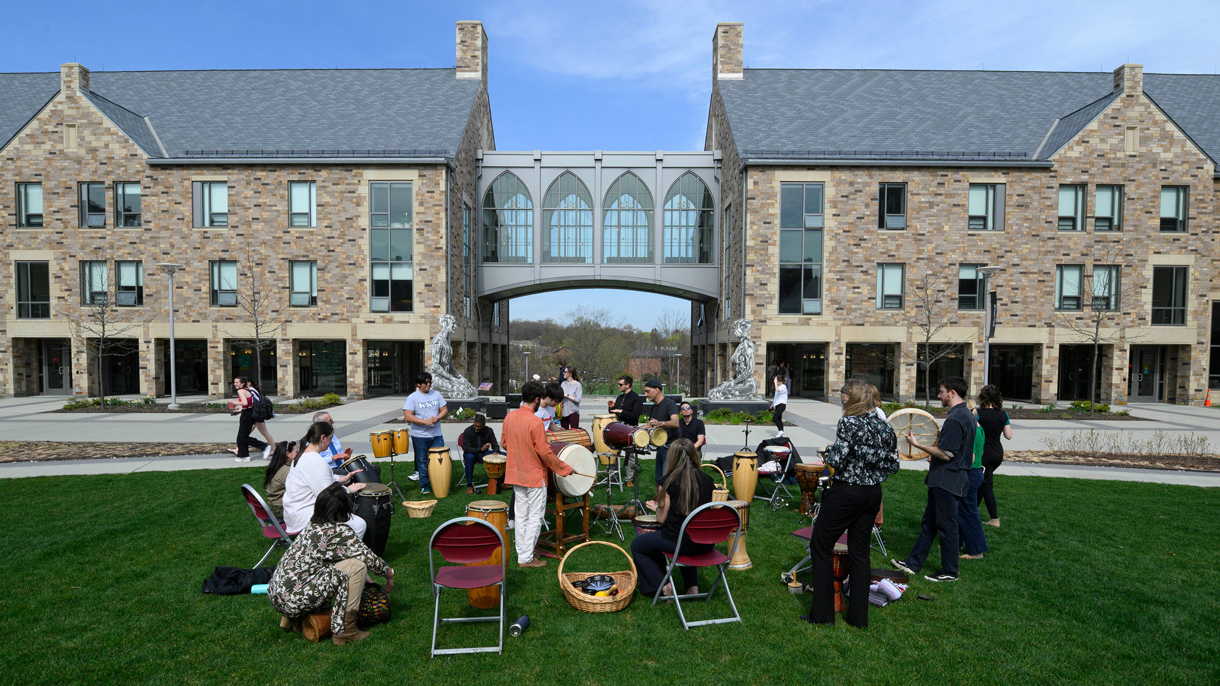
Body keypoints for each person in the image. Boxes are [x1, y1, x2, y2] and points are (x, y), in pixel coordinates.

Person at [804, 379, 900, 628]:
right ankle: (858, 618)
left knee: (821, 545)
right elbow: (894, 465)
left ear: (854, 399)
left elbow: (836, 458)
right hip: (872, 494)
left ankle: (822, 614)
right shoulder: (884, 427)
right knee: (860, 553)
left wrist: (831, 449)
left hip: (847, 492)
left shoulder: (849, 422)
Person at [268, 483, 394, 645]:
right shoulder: (339, 533)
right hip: (293, 600)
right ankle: (345, 630)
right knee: (357, 567)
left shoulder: (312, 526)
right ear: (344, 509)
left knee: (343, 565)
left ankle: (290, 621)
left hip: (276, 594)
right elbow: (370, 560)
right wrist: (389, 574)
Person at [892, 376, 976, 582]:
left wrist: (917, 444)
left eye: (941, 392)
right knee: (929, 522)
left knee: (947, 526)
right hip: (947, 477)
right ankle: (913, 563)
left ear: (952, 393)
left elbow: (946, 454)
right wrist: (935, 453)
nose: (939, 396)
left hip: (947, 480)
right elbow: (960, 452)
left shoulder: (956, 418)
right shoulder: (966, 415)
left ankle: (950, 571)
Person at [630, 439, 715, 598]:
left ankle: (663, 586)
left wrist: (657, 508)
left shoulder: (667, 482)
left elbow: (661, 519)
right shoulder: (708, 481)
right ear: (694, 455)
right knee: (686, 534)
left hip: (679, 543)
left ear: (673, 458)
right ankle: (692, 588)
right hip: (705, 543)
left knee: (638, 545)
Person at [503, 380, 573, 568]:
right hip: (533, 475)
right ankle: (525, 558)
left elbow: (504, 443)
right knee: (534, 516)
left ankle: (522, 554)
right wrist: (564, 468)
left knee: (521, 515)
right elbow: (544, 452)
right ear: (536, 399)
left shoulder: (509, 417)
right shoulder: (534, 421)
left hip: (516, 474)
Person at [282, 422, 368, 537]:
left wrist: (343, 478)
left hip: (293, 514)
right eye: (330, 438)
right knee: (359, 525)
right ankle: (341, 554)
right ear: (323, 438)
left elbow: (322, 477)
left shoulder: (302, 456)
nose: (331, 441)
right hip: (305, 518)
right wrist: (349, 490)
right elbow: (327, 497)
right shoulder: (315, 461)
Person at [402, 372, 447, 495]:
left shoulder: (436, 394)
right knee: (422, 461)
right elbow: (408, 415)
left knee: (439, 460)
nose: (428, 385)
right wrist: (424, 422)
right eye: (425, 383)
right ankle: (425, 486)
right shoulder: (413, 397)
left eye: (429, 382)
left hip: (436, 434)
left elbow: (444, 410)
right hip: (420, 435)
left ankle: (439, 482)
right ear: (419, 384)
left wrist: (437, 418)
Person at [975, 384, 1012, 528]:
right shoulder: (1004, 414)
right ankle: (973, 511)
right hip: (997, 453)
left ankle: (994, 519)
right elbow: (1008, 436)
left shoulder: (977, 413)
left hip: (984, 454)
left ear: (982, 398)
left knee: (986, 485)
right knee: (982, 482)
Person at [957, 409, 989, 560]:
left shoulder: (974, 431)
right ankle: (958, 542)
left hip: (971, 474)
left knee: (969, 513)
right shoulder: (979, 428)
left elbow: (970, 459)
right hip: (975, 473)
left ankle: (976, 550)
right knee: (962, 511)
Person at [609, 375, 644, 484]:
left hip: (629, 429)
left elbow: (636, 415)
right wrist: (611, 408)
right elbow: (614, 412)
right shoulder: (620, 397)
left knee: (630, 454)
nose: (618, 386)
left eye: (620, 384)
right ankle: (613, 475)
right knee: (614, 451)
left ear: (627, 385)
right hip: (617, 429)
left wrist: (622, 411)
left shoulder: (636, 398)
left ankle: (628, 478)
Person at [644, 378, 680, 484]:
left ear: (657, 390)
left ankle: (667, 500)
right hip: (660, 447)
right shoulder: (654, 407)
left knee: (666, 478)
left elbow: (675, 422)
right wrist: (634, 429)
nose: (646, 394)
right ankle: (659, 500)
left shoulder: (670, 404)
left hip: (670, 446)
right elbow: (649, 425)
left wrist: (661, 423)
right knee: (659, 479)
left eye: (648, 391)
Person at [228, 377, 272, 462]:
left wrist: (234, 402)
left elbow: (245, 403)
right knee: (241, 437)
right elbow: (248, 404)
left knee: (243, 437)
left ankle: (264, 446)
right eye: (234, 382)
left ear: (242, 383)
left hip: (247, 415)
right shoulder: (247, 390)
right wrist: (239, 409)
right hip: (248, 413)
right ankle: (244, 456)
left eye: (237, 382)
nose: (235, 384)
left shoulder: (240, 391)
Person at [461, 413, 502, 495]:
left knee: (504, 455)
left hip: (485, 454)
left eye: (479, 426)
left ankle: (501, 482)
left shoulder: (489, 431)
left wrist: (496, 452)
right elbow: (467, 448)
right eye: (475, 425)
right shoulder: (468, 431)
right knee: (468, 457)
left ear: (484, 425)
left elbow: (495, 444)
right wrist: (480, 449)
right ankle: (469, 485)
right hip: (472, 454)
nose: (476, 428)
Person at [263, 440, 299, 520]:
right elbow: (299, 489)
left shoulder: (275, 466)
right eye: (296, 452)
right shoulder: (286, 471)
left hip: (273, 506)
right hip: (281, 509)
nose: (298, 454)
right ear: (288, 454)